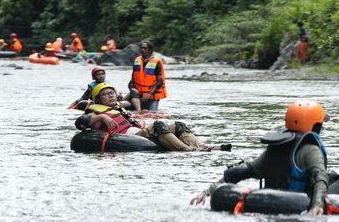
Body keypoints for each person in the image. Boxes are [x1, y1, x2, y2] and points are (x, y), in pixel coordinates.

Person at [190, 100, 339, 214]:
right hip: (302, 200)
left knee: (333, 174)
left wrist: (207, 192)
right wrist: (318, 205)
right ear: (314, 125)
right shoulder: (310, 149)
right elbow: (319, 178)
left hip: (277, 197)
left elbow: (242, 171)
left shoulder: (275, 147)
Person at [75, 83, 233, 152]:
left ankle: (206, 147)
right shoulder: (96, 112)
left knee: (178, 125)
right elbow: (80, 123)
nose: (110, 96)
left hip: (138, 132)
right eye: (105, 94)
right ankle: (188, 150)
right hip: (126, 137)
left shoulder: (119, 108)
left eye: (112, 93)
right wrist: (102, 117)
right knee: (158, 124)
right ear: (98, 99)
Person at [71, 67, 140, 110]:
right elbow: (83, 98)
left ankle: (139, 110)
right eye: (98, 75)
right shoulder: (92, 87)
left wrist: (118, 94)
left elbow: (114, 93)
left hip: (114, 102)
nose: (101, 76)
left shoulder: (107, 83)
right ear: (94, 77)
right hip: (102, 104)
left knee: (133, 92)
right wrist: (73, 105)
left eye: (102, 74)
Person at [128, 40, 166, 111]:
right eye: (141, 48)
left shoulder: (156, 62)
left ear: (150, 50)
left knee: (151, 115)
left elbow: (160, 81)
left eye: (145, 48)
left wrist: (149, 94)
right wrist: (132, 90)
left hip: (152, 97)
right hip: (139, 96)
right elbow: (133, 79)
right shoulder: (137, 60)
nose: (142, 50)